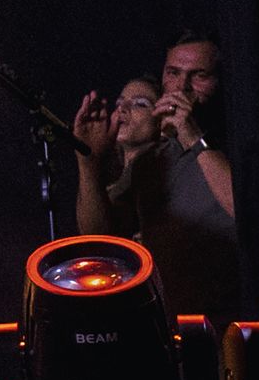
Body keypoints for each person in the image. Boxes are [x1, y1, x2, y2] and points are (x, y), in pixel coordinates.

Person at [73, 38, 245, 316]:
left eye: (199, 75)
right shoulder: (153, 160)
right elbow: (99, 239)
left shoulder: (238, 141)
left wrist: (193, 137)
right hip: (175, 324)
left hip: (238, 317)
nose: (181, 86)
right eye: (173, 73)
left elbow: (249, 214)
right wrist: (88, 162)